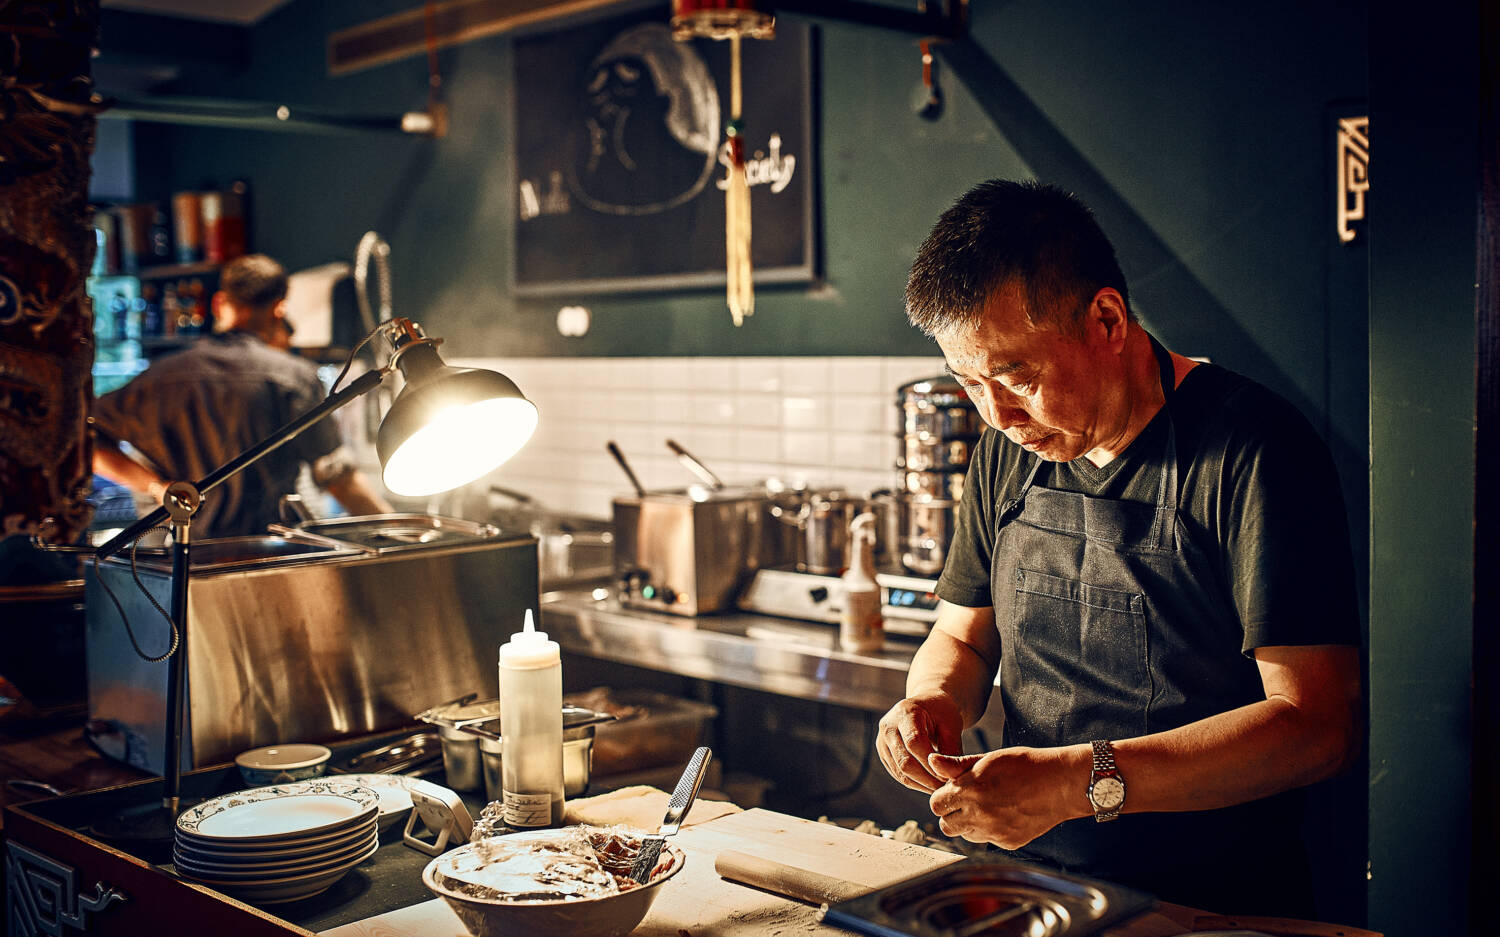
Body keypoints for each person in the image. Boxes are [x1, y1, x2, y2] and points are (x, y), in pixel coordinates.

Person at [877, 180, 1363, 916]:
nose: (998, 414)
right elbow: (963, 636)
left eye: (1017, 377)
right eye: (970, 384)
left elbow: (1315, 727)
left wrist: (1077, 780)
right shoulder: (1007, 449)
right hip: (1028, 887)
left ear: (1106, 317)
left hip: (1213, 902)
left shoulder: (1254, 451)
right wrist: (930, 701)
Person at [92, 254, 391, 539]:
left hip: (181, 559)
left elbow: (85, 441)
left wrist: (156, 487)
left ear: (219, 303)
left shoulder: (160, 377)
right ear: (279, 308)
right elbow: (338, 479)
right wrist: (398, 532)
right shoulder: (293, 377)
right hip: (264, 556)